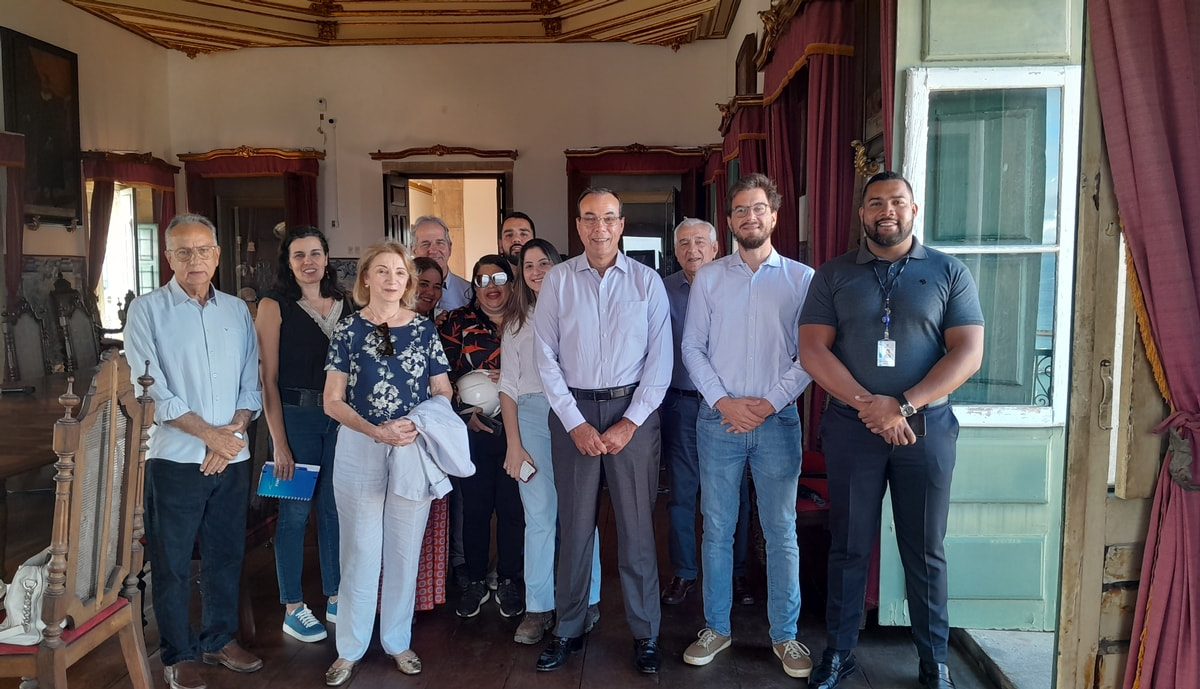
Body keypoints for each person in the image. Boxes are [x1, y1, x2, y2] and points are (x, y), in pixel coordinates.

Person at [798, 171, 984, 689]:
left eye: (897, 202)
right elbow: (812, 349)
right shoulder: (833, 275)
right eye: (875, 202)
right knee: (848, 545)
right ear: (862, 213)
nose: (887, 210)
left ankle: (935, 663)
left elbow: (968, 352)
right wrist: (869, 407)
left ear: (914, 210)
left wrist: (901, 405)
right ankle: (838, 653)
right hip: (853, 430)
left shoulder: (949, 272)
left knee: (925, 549)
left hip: (926, 429)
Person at [679, 174, 815, 679]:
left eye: (758, 208)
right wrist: (725, 402)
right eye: (739, 210)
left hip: (778, 423)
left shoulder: (802, 279)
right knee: (717, 528)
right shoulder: (710, 278)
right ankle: (716, 627)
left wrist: (767, 403)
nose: (749, 217)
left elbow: (811, 355)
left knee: (781, 531)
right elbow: (692, 347)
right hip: (718, 421)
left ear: (774, 216)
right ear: (729, 221)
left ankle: (786, 635)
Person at [533, 187, 671, 675]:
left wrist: (631, 421)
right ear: (578, 225)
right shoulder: (557, 282)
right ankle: (567, 629)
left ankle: (646, 633)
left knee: (637, 532)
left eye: (608, 218)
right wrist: (573, 422)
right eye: (590, 219)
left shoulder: (646, 282)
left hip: (633, 411)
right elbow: (544, 357)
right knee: (574, 530)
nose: (599, 228)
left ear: (621, 224)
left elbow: (661, 361)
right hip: (574, 413)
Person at [124, 213, 263, 689]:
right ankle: (178, 652)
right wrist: (210, 435)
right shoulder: (146, 310)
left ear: (218, 255)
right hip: (176, 459)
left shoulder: (236, 310)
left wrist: (233, 433)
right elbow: (151, 390)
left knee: (225, 555)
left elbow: (252, 382)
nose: (195, 260)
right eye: (183, 252)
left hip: (233, 455)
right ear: (168, 258)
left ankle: (219, 638)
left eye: (204, 250)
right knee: (172, 561)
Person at [322, 242, 455, 685]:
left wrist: (413, 425)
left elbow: (444, 391)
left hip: (409, 447)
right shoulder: (347, 330)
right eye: (382, 271)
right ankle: (350, 649)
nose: (392, 279)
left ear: (408, 281)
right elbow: (332, 401)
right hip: (359, 445)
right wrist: (375, 430)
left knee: (403, 550)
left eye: (399, 271)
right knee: (359, 550)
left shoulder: (423, 330)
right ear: (366, 279)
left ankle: (398, 641)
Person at [499, 238, 602, 645]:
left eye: (545, 262)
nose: (537, 271)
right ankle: (539, 607)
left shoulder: (577, 312)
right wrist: (513, 442)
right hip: (530, 418)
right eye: (528, 266)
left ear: (560, 267)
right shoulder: (515, 321)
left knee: (580, 513)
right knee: (539, 516)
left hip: (574, 416)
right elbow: (507, 385)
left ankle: (587, 600)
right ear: (521, 274)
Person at [255, 226, 347, 643]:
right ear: (288, 263)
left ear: (327, 258)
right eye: (298, 255)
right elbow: (266, 381)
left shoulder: (348, 305)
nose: (308, 262)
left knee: (332, 509)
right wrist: (279, 443)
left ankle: (336, 595)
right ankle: (292, 606)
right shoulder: (275, 306)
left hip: (341, 421)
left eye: (315, 253)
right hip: (296, 418)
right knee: (293, 514)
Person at [660, 218, 756, 608]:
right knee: (683, 493)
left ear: (717, 247)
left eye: (700, 242)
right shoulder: (663, 290)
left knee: (736, 495)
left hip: (732, 407)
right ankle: (685, 573)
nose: (692, 250)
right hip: (682, 404)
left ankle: (737, 573)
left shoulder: (738, 283)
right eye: (684, 243)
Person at [438, 255, 526, 619]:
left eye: (499, 277)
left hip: (519, 430)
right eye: (482, 279)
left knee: (512, 508)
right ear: (473, 286)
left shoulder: (528, 320)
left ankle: (510, 579)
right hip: (472, 431)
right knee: (474, 509)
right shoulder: (456, 322)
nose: (491, 286)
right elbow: (439, 376)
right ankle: (475, 579)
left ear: (512, 281)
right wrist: (465, 413)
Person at [411, 216, 471, 311]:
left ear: (449, 248)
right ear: (413, 251)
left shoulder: (469, 292)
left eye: (439, 243)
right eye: (425, 244)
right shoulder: (401, 290)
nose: (433, 250)